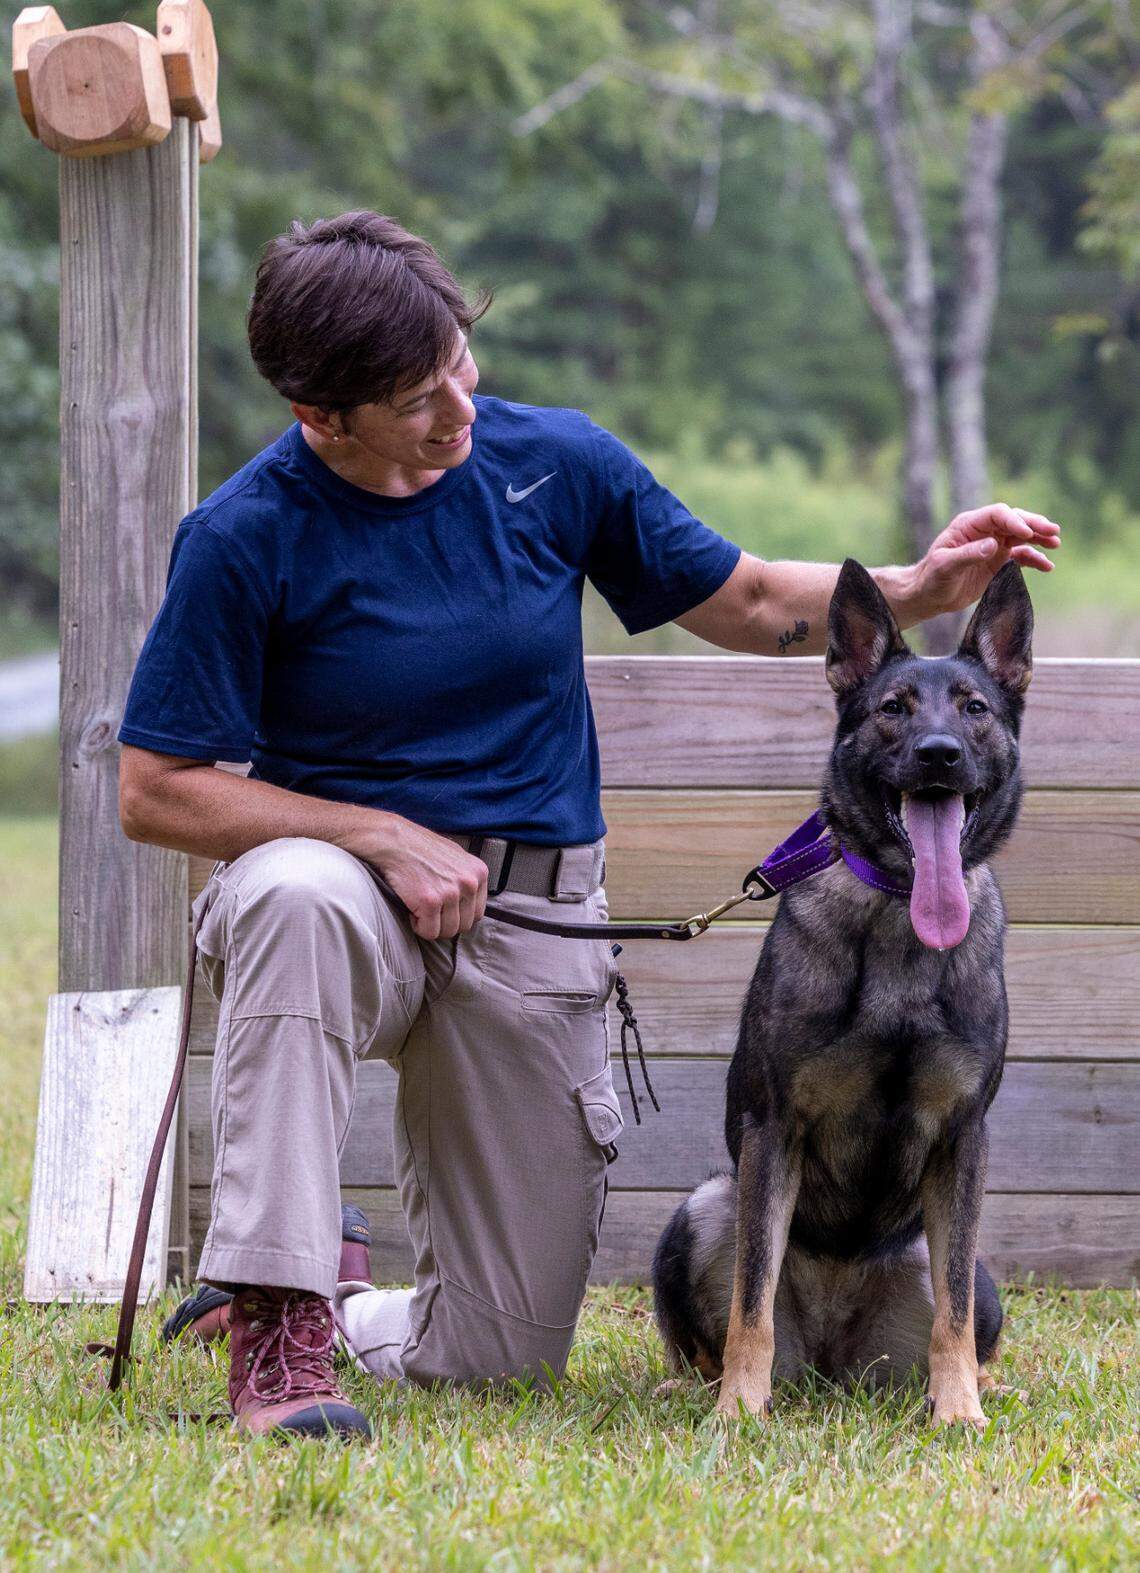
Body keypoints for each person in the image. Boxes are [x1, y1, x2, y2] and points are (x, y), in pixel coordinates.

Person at [117, 210, 1060, 1441]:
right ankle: (281, 1332)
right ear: (321, 416)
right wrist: (377, 835)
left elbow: (748, 596)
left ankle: (348, 1303)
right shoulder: (244, 535)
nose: (460, 407)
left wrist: (918, 587)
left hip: (530, 916)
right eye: (418, 397)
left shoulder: (553, 464)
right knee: (295, 893)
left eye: (463, 361)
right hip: (348, 896)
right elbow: (156, 789)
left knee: (499, 1357)